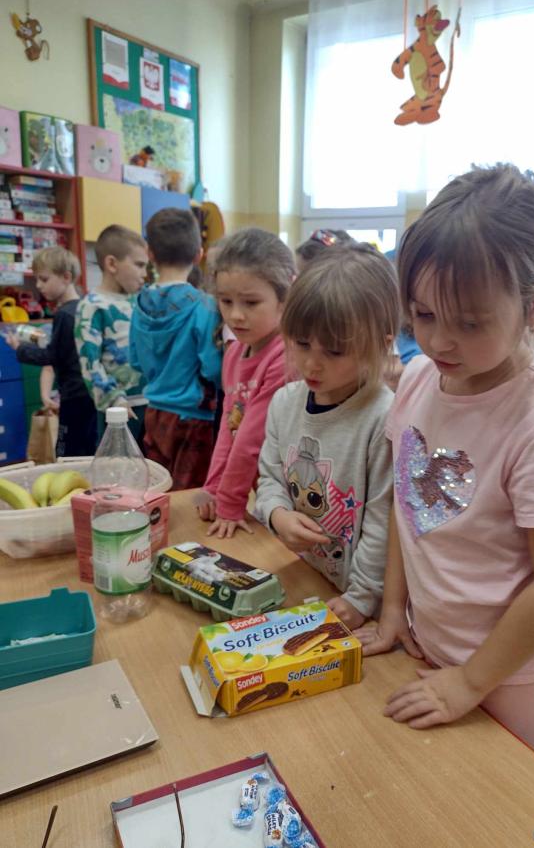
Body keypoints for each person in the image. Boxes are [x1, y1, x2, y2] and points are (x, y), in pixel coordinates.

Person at [355, 164, 534, 765]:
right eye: (422, 315)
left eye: (469, 323)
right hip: (434, 648)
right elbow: (408, 509)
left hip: (517, 676)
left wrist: (471, 681)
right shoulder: (420, 379)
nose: (439, 341)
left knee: (502, 806)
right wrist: (392, 611)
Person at [255, 246, 398, 629]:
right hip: (308, 575)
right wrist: (277, 515)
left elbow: (384, 523)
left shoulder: (383, 417)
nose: (312, 363)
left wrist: (362, 596)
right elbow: (270, 478)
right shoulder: (285, 402)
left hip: (362, 601)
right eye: (302, 344)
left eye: (334, 351)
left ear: (381, 344)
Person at [198, 228, 295, 538]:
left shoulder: (286, 356)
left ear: (285, 298)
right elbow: (230, 428)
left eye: (251, 303)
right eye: (225, 301)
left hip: (292, 495)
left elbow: (252, 438)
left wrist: (229, 502)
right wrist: (214, 487)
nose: (235, 315)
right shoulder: (235, 352)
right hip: (262, 493)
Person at [129, 208, 222, 490]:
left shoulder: (138, 304)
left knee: (159, 491)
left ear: (150, 254)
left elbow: (135, 361)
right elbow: (213, 368)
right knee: (191, 496)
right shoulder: (205, 306)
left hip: (154, 413)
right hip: (194, 418)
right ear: (198, 255)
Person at [7, 246, 97, 456]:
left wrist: (20, 348)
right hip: (89, 393)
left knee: (69, 453)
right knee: (87, 448)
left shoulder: (64, 315)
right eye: (37, 279)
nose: (39, 285)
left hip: (74, 396)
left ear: (66, 277)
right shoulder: (83, 308)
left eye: (44, 279)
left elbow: (51, 356)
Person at [74, 225, 148, 445]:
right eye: (139, 265)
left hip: (150, 402)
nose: (144, 274)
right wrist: (114, 400)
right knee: (119, 462)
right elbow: (90, 363)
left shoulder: (140, 301)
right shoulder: (92, 306)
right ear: (112, 264)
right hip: (119, 409)